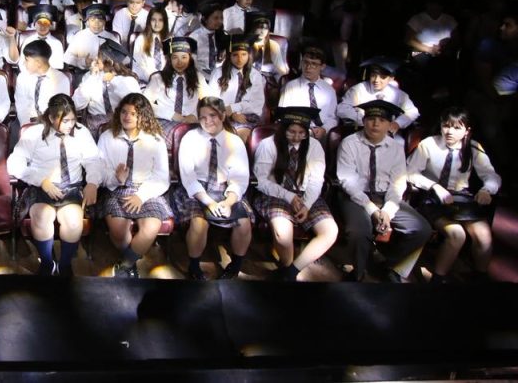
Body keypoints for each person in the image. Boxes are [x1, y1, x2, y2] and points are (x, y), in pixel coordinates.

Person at [336, 100, 432, 282]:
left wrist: (388, 210)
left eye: (381, 120)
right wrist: (372, 210)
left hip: (385, 195)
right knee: (359, 231)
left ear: (390, 125)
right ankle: (358, 273)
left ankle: (388, 265)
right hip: (355, 196)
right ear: (363, 121)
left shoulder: (395, 148)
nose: (376, 124)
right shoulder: (349, 143)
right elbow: (348, 181)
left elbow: (398, 183)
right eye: (371, 119)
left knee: (421, 229)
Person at [8, 94, 98, 277]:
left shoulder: (82, 133)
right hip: (42, 186)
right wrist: (41, 180)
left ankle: (64, 265)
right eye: (65, 121)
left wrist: (93, 183)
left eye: (73, 120)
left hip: (71, 187)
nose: (70, 125)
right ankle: (47, 263)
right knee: (42, 216)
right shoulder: (34, 133)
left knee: (73, 220)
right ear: (51, 118)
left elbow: (93, 160)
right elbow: (14, 163)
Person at [407, 107, 501, 283]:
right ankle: (438, 278)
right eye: (446, 126)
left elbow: (491, 175)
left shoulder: (473, 147)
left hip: (461, 199)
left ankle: (480, 277)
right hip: (432, 197)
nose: (449, 131)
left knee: (484, 236)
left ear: (467, 131)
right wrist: (434, 186)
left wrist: (487, 189)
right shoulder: (429, 144)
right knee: (457, 234)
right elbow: (410, 172)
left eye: (457, 128)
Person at [89, 93, 173, 278]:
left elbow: (161, 177)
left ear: (143, 116)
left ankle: (126, 265)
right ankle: (132, 261)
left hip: (146, 190)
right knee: (119, 232)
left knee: (150, 227)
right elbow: (99, 169)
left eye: (133, 113)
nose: (127, 117)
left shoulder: (155, 140)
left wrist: (140, 196)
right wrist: (116, 178)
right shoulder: (107, 137)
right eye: (124, 112)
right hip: (116, 188)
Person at [252, 107, 339, 281]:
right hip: (276, 193)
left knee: (330, 231)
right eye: (291, 132)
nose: (297, 137)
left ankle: (291, 272)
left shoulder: (314, 146)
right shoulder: (268, 145)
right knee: (283, 234)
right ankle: (286, 265)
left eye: (301, 133)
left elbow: (316, 180)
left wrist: (306, 204)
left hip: (306, 193)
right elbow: (261, 181)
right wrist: (289, 196)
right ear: (282, 129)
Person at [171, 97, 253, 280]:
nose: (208, 121)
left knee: (244, 224)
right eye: (203, 117)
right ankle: (194, 267)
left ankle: (235, 266)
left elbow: (239, 178)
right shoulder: (190, 138)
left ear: (223, 115)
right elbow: (188, 177)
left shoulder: (235, 142)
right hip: (196, 189)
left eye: (213, 116)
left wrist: (229, 201)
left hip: (225, 188)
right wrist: (209, 202)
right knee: (199, 223)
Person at [145, 37, 214, 139]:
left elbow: (210, 101)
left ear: (190, 59)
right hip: (166, 122)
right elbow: (143, 103)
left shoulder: (198, 77)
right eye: (175, 57)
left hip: (191, 122)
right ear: (169, 59)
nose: (179, 62)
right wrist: (171, 114)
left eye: (184, 57)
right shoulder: (158, 78)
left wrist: (195, 115)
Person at [336, 57, 420, 138]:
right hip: (361, 130)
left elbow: (412, 112)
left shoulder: (399, 94)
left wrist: (398, 123)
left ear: (391, 78)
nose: (376, 80)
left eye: (382, 77)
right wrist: (364, 119)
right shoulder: (358, 90)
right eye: (373, 75)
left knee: (399, 143)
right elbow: (342, 108)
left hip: (387, 133)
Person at [72, 40, 141, 135]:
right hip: (94, 126)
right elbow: (76, 104)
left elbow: (137, 105)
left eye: (99, 56)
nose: (95, 59)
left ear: (109, 61)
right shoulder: (90, 77)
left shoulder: (128, 80)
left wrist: (113, 80)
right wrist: (92, 77)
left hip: (120, 124)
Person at [208, 34, 265, 143]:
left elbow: (257, 105)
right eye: (235, 55)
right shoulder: (218, 73)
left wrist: (233, 108)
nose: (240, 59)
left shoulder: (255, 75)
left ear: (249, 55)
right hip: (222, 115)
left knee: (242, 136)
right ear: (229, 55)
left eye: (244, 54)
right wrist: (230, 113)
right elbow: (212, 101)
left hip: (246, 116)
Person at [278, 46, 338, 141]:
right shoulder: (291, 87)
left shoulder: (329, 90)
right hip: (299, 132)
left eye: (314, 64)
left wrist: (324, 129)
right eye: (306, 62)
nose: (308, 67)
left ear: (322, 67)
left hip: (323, 134)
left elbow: (332, 118)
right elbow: (284, 115)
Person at [14, 39, 71, 127]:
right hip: (27, 122)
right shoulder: (22, 77)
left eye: (27, 60)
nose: (24, 63)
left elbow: (60, 110)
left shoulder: (61, 79)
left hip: (51, 124)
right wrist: (26, 125)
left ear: (38, 63)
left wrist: (47, 126)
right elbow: (21, 105)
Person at [62, 3, 119, 72]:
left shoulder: (110, 37)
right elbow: (67, 57)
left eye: (100, 20)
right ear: (88, 21)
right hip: (83, 72)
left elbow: (125, 59)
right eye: (92, 20)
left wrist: (110, 61)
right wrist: (83, 62)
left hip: (106, 72)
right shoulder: (80, 35)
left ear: (104, 22)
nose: (96, 24)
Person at [18, 5, 65, 72]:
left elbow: (58, 65)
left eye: (46, 23)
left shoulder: (57, 43)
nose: (42, 26)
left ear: (50, 25)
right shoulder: (28, 41)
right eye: (39, 23)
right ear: (34, 24)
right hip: (29, 75)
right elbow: (22, 63)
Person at [131, 5, 170, 84]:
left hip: (167, 81)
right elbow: (136, 67)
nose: (157, 24)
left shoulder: (170, 39)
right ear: (149, 21)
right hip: (148, 81)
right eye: (153, 20)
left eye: (160, 20)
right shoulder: (141, 39)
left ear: (165, 22)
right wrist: (153, 77)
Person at [246, 11, 289, 81]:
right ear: (253, 28)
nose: (262, 31)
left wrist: (279, 82)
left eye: (266, 28)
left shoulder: (273, 45)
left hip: (267, 79)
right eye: (259, 27)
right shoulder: (245, 44)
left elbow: (282, 71)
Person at [189, 0, 226, 75]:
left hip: (215, 74)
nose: (220, 21)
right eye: (216, 18)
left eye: (221, 18)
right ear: (205, 19)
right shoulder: (195, 37)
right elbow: (191, 61)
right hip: (199, 74)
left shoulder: (221, 35)